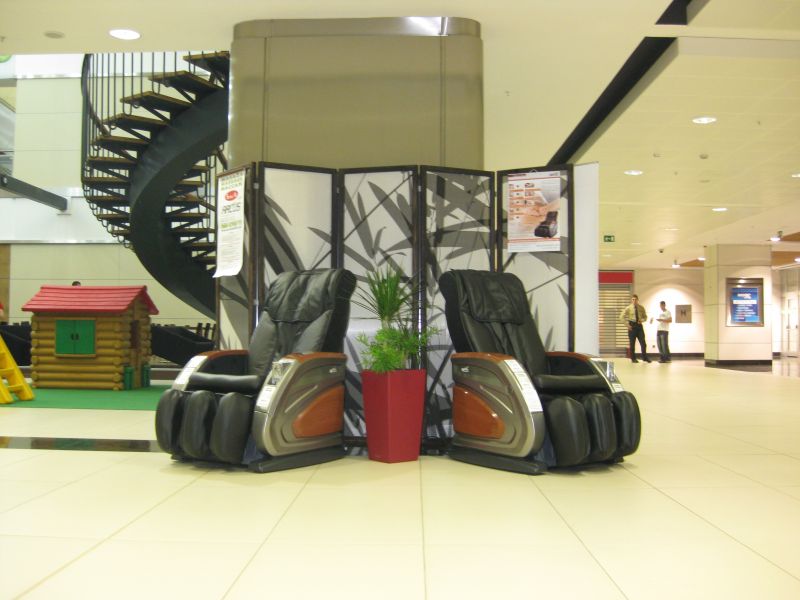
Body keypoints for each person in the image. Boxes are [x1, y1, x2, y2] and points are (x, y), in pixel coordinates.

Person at [619, 294, 650, 363]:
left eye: (635, 299)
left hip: (639, 326)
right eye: (633, 299)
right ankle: (633, 358)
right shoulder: (628, 308)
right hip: (632, 326)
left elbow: (645, 317)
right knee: (632, 344)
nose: (634, 301)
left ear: (637, 300)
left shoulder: (641, 308)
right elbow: (621, 317)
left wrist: (642, 320)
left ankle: (645, 357)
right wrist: (627, 325)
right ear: (631, 300)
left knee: (643, 343)